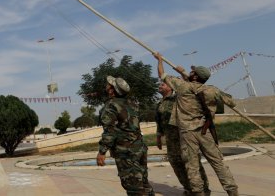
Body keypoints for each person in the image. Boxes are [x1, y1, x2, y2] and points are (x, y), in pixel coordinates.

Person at [154, 52, 238, 196]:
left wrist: (160, 60)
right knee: (218, 163)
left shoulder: (182, 87)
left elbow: (162, 74)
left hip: (188, 134)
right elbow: (231, 102)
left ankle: (199, 192)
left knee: (191, 166)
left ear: (194, 76)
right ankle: (232, 191)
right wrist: (185, 74)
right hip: (205, 132)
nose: (189, 72)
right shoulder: (212, 90)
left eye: (192, 72)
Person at [96, 76, 154, 196]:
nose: (106, 85)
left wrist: (102, 152)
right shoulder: (132, 103)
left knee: (134, 188)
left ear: (112, 90)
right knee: (144, 184)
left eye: (109, 84)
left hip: (126, 152)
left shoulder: (111, 105)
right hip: (140, 148)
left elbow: (109, 131)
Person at [156, 79, 209, 194]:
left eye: (163, 84)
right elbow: (159, 122)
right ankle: (188, 189)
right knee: (176, 164)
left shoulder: (178, 99)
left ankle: (203, 189)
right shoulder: (160, 103)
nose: (160, 85)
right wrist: (158, 137)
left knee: (192, 164)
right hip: (171, 141)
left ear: (171, 87)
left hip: (184, 138)